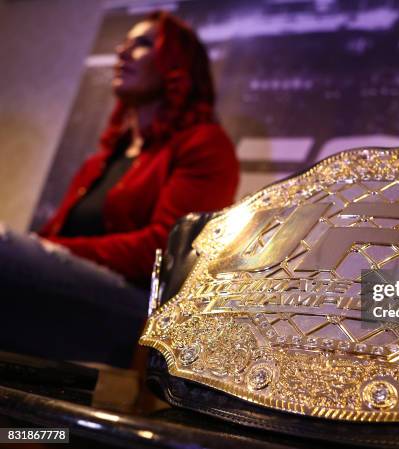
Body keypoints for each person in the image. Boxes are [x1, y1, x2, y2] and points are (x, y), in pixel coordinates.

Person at [0, 11, 239, 366]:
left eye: (142, 44)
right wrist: (40, 250)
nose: (122, 52)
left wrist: (50, 250)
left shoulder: (205, 145)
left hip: (137, 309)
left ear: (177, 65)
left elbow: (164, 250)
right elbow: (52, 236)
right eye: (123, 43)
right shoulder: (100, 160)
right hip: (77, 290)